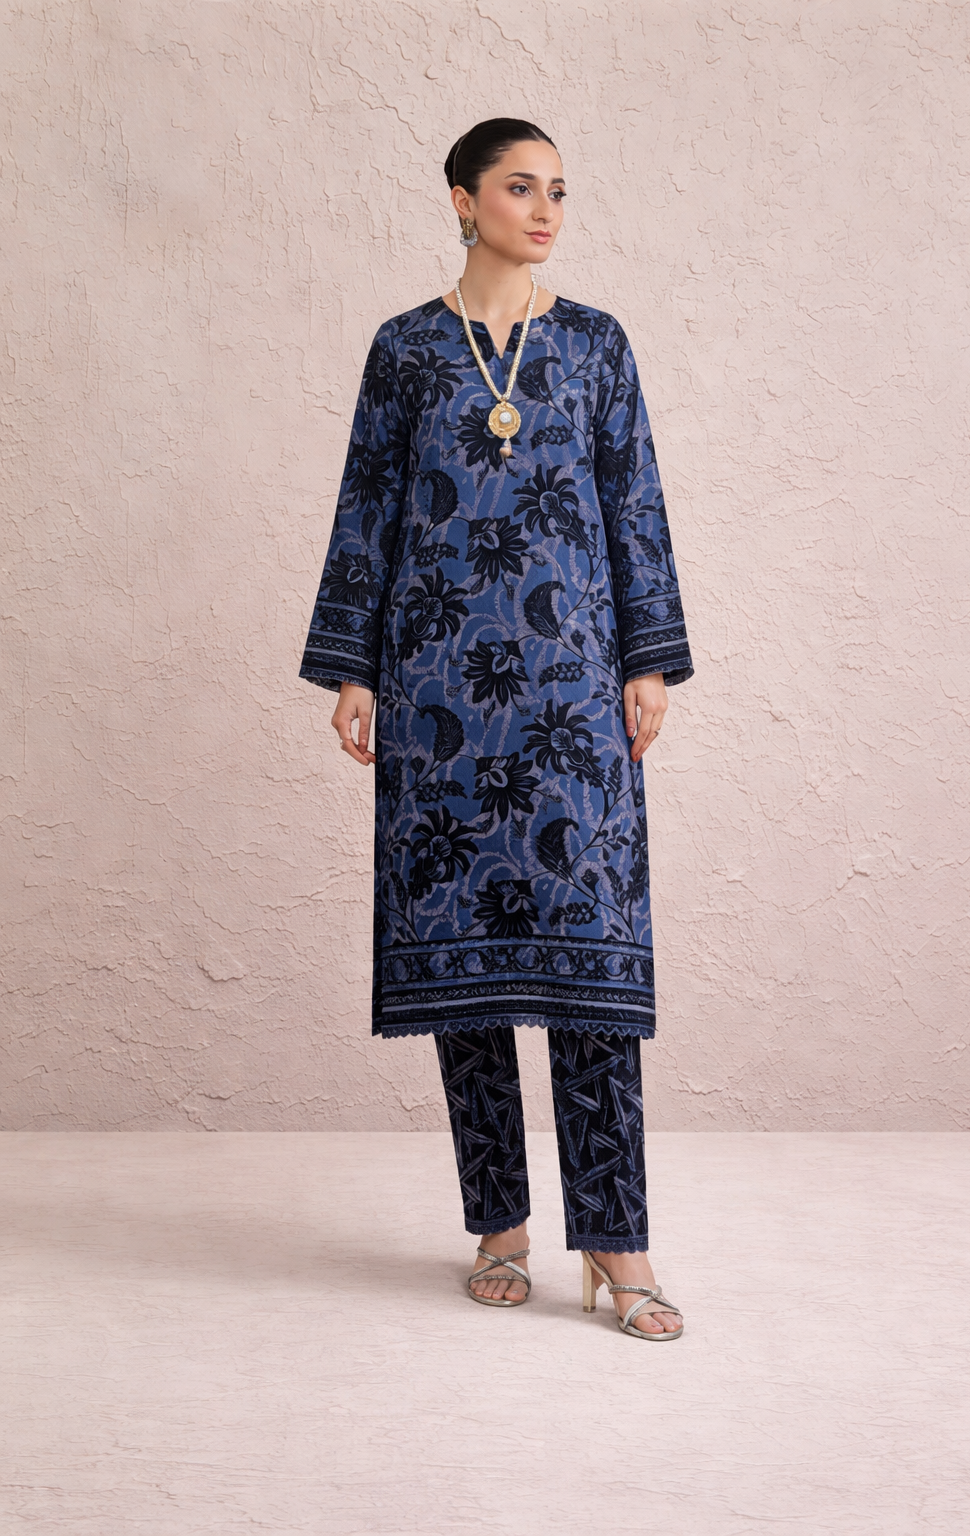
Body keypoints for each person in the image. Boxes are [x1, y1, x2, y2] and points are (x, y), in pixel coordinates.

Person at [300, 118, 693, 1339]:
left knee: (589, 972)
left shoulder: (594, 344)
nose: (545, 209)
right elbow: (368, 505)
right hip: (437, 695)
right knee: (465, 979)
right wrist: (353, 670)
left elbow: (633, 502)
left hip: (573, 692)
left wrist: (647, 660)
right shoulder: (407, 349)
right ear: (463, 201)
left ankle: (618, 1245)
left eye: (558, 190)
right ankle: (500, 1229)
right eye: (521, 188)